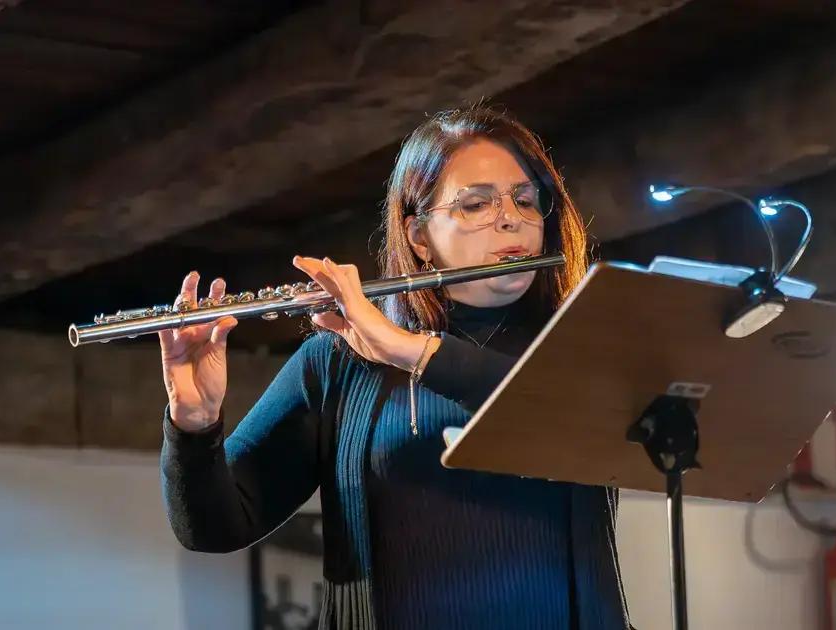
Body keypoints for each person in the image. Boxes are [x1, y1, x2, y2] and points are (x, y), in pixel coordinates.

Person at [159, 105, 633, 630]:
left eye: (526, 199)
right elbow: (214, 528)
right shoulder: (336, 361)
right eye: (476, 204)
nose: (510, 218)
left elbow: (568, 415)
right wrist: (194, 424)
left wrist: (410, 351)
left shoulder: (583, 341)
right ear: (419, 236)